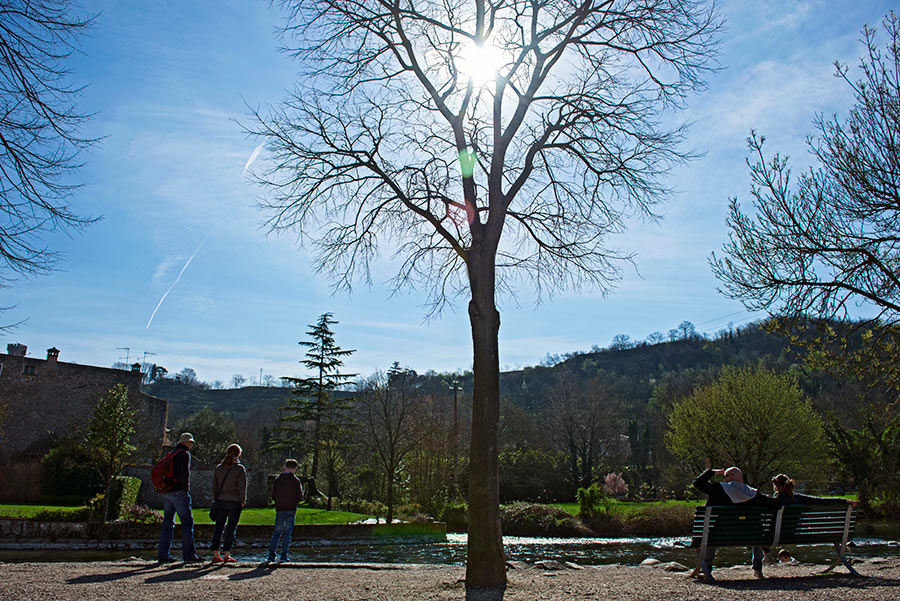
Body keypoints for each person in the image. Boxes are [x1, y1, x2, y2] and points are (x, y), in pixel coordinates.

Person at [693, 463, 780, 582]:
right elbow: (776, 504)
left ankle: (707, 570)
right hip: (752, 536)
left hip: (720, 535)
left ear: (730, 477)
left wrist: (713, 471)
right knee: (758, 532)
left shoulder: (718, 489)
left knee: (710, 534)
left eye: (725, 476)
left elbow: (698, 483)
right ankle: (757, 569)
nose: (724, 479)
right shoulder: (754, 494)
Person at [157, 432, 203, 563]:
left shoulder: (172, 453)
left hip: (167, 492)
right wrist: (186, 490)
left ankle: (163, 555)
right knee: (187, 523)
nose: (191, 445)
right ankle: (189, 555)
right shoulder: (184, 454)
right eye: (190, 442)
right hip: (178, 491)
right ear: (186, 442)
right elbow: (184, 475)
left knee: (167, 523)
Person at [210, 443, 247, 563]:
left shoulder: (219, 468)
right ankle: (227, 554)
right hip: (234, 501)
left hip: (221, 500)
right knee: (230, 529)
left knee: (218, 528)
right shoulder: (239, 469)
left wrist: (216, 498)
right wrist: (243, 500)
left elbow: (214, 486)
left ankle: (215, 554)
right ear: (238, 454)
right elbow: (242, 487)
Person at [268, 458, 304, 563]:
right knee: (287, 533)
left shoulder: (278, 480)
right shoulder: (296, 481)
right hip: (291, 508)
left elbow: (273, 495)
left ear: (285, 467)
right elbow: (300, 496)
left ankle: (271, 555)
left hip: (280, 508)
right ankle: (284, 555)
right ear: (295, 468)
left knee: (276, 532)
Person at [772, 473, 859, 508]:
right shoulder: (797, 498)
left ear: (778, 486)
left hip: (776, 534)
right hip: (794, 532)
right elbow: (820, 500)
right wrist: (845, 501)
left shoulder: (776, 500)